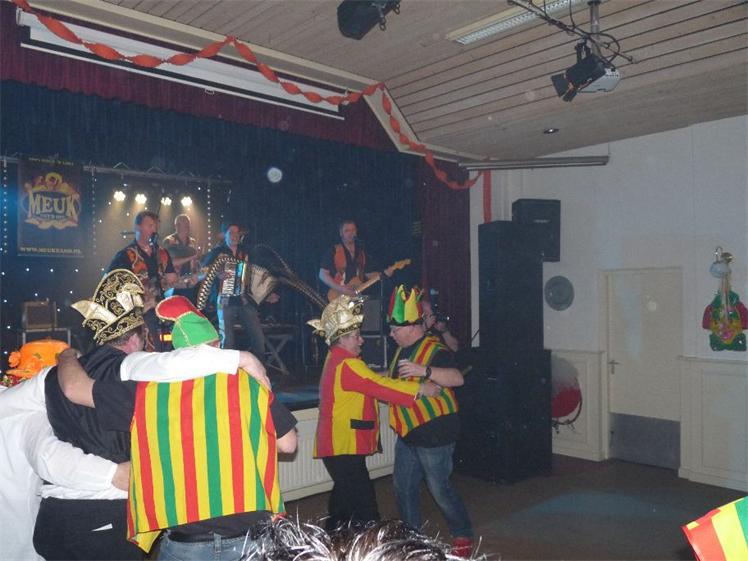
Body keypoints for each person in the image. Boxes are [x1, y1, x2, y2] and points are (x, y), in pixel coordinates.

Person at [34, 269, 269, 560]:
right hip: (108, 519)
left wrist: (67, 356)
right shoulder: (138, 372)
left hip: (52, 518)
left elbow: (43, 433)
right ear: (136, 339)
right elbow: (180, 362)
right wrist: (243, 357)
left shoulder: (52, 377)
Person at [307, 295, 440, 532]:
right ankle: (373, 545)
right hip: (343, 445)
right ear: (342, 339)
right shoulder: (349, 364)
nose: (361, 340)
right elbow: (380, 386)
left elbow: (370, 382)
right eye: (356, 336)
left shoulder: (337, 358)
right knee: (365, 507)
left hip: (340, 444)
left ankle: (330, 542)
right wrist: (421, 389)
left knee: (343, 504)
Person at [0, 341, 129, 561]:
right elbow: (49, 458)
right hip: (19, 545)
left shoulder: (9, 404)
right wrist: (114, 474)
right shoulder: (32, 415)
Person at [386, 285, 474, 558]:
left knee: (440, 489)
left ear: (412, 327)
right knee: (403, 487)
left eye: (395, 329)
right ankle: (413, 538)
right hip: (408, 431)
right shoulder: (401, 349)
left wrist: (424, 371)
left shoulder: (434, 348)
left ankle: (462, 534)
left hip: (435, 431)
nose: (391, 334)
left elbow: (457, 378)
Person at [109, 210, 177, 351]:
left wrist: (190, 279)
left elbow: (172, 279)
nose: (154, 230)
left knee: (166, 349)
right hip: (140, 314)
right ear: (137, 227)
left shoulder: (162, 253)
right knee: (148, 351)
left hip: (161, 310)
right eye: (149, 226)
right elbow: (112, 284)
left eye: (155, 226)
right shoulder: (126, 255)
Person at [202, 221, 268, 359]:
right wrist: (217, 273)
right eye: (231, 233)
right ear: (224, 235)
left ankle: (258, 368)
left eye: (237, 233)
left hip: (244, 300)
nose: (235, 235)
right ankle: (226, 371)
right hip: (225, 301)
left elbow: (256, 274)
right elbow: (203, 271)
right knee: (227, 340)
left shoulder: (246, 252)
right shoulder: (217, 252)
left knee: (258, 339)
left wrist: (266, 293)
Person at [318, 219, 393, 300]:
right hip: (338, 295)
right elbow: (322, 274)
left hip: (356, 296)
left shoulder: (361, 253)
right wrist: (341, 289)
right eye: (347, 231)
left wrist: (384, 274)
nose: (351, 233)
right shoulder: (334, 251)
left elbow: (368, 274)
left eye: (353, 230)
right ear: (341, 233)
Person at [162, 214, 201, 301]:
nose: (188, 227)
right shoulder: (169, 241)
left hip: (190, 284)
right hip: (175, 284)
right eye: (185, 224)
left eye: (188, 224)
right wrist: (190, 258)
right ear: (177, 226)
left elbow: (194, 263)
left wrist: (196, 271)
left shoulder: (192, 241)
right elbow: (168, 263)